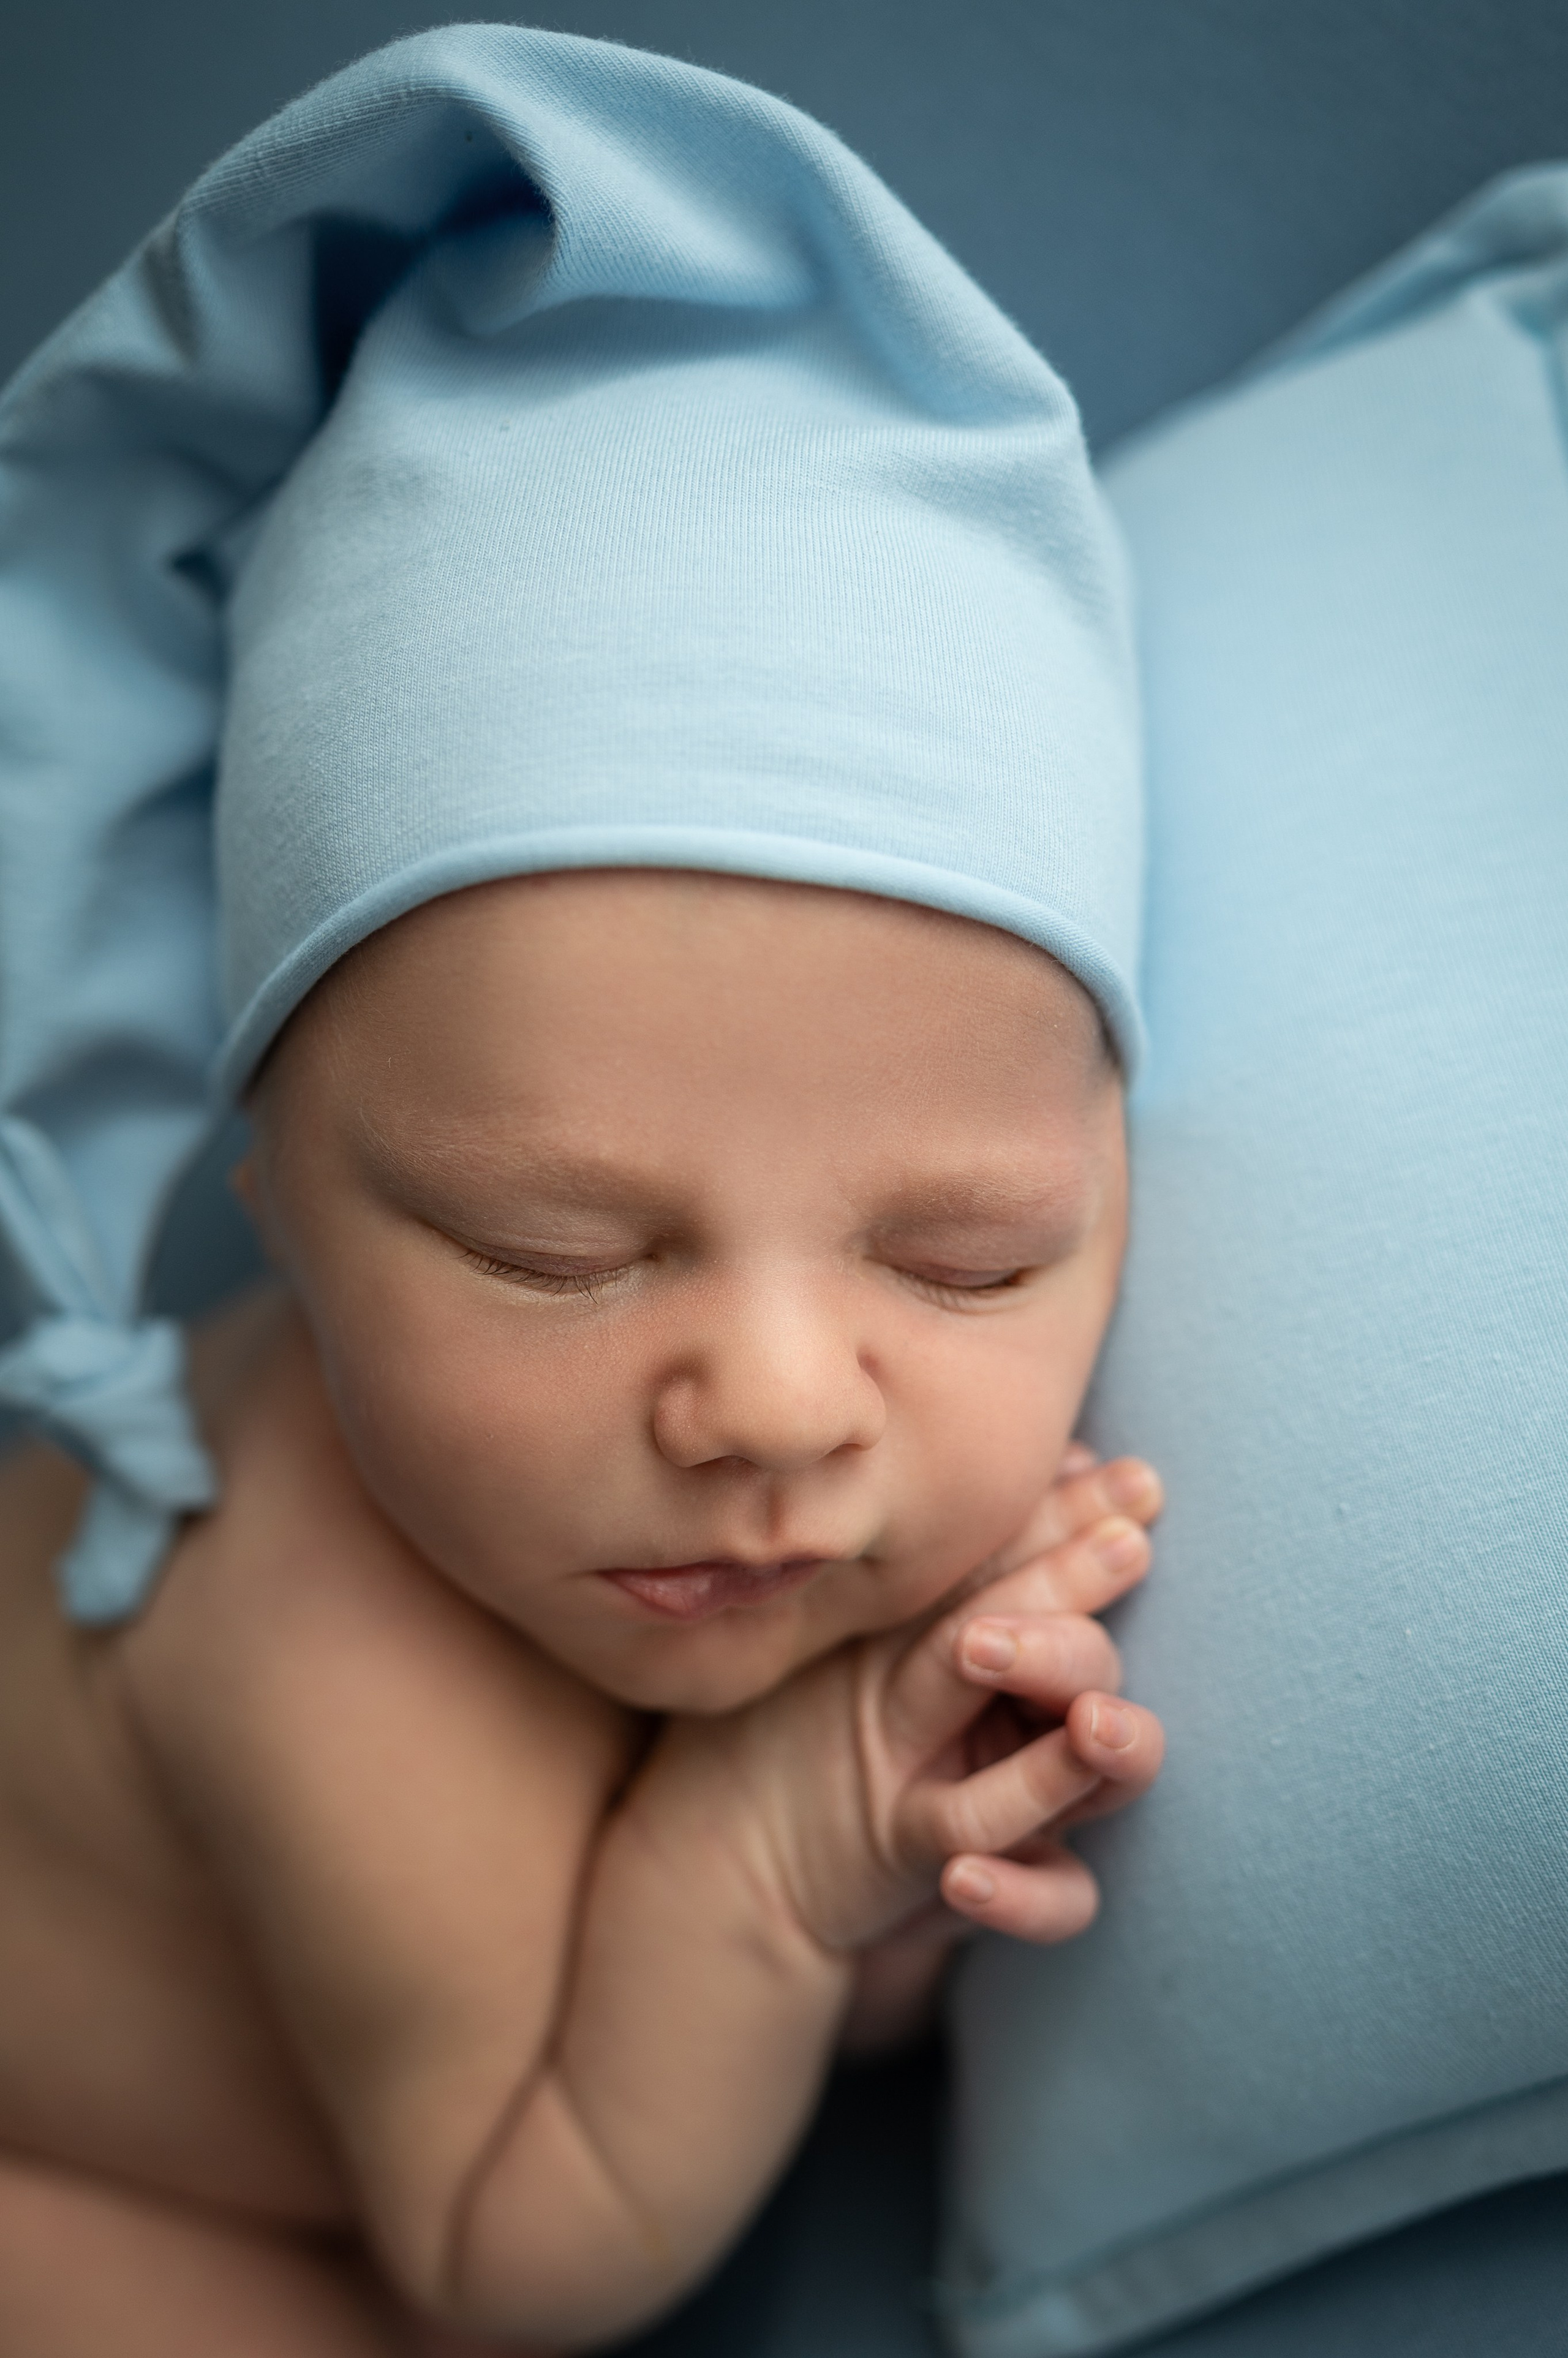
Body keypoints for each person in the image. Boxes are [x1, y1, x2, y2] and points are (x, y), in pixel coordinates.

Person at [0, 26, 1163, 2354]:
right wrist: (761, 1855)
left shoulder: (678, 1515)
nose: (771, 1399)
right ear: (280, 1203)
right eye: (554, 1250)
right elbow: (513, 2252)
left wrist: (902, 1854)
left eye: (970, 1257)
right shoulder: (320, 1644)